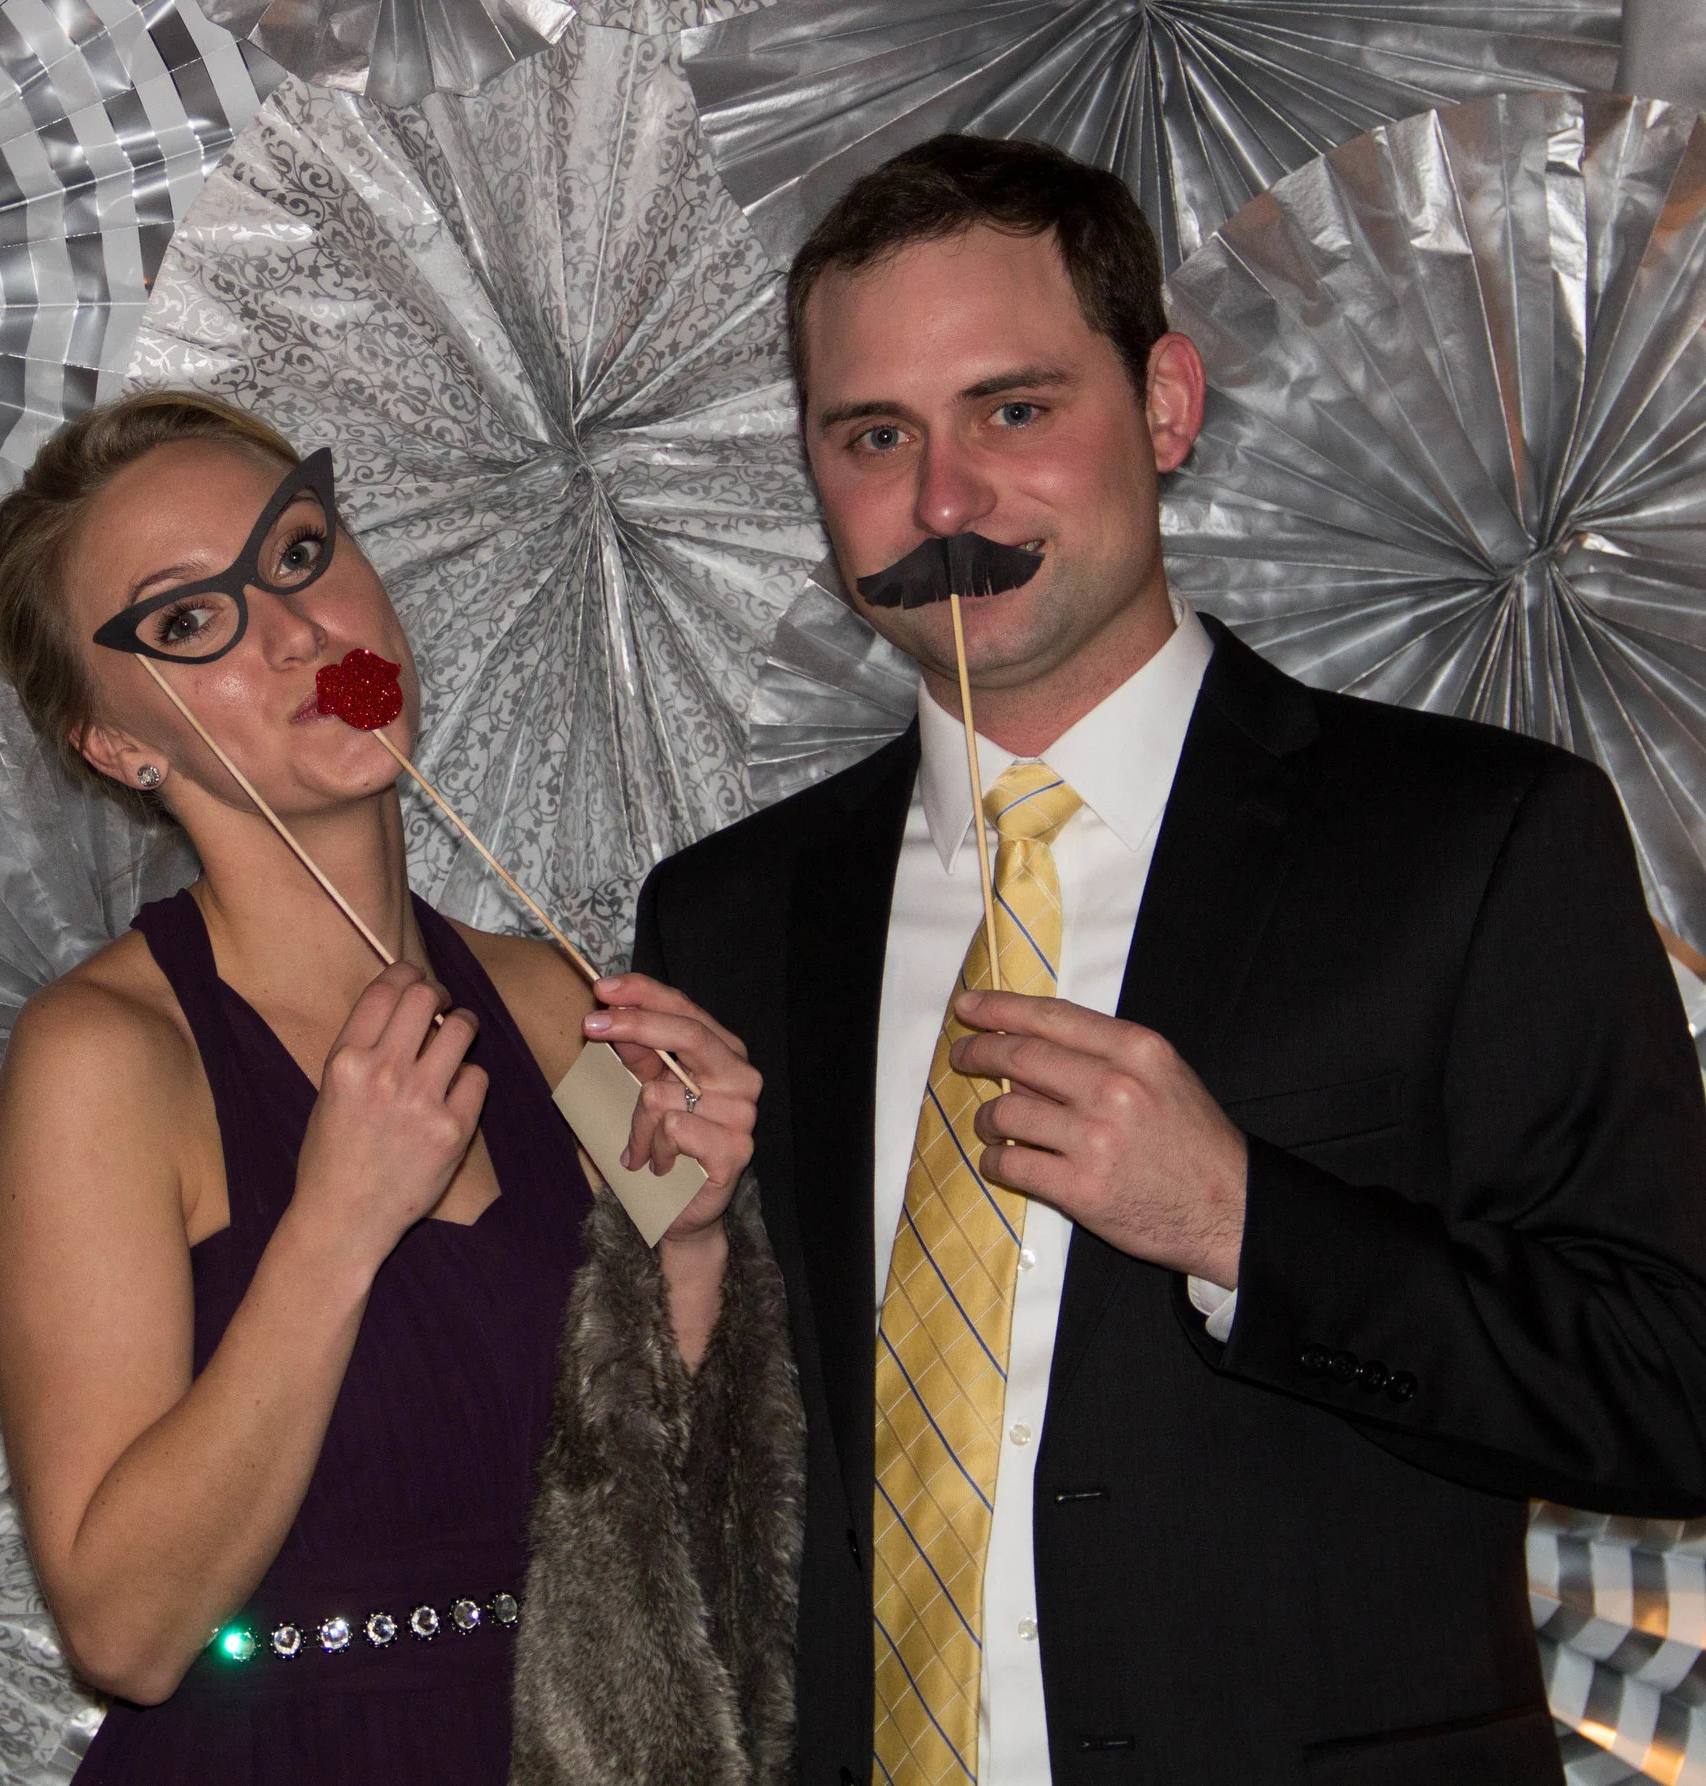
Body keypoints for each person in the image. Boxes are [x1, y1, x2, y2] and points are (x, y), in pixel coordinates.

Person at [632, 134, 1706, 1786]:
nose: (943, 503)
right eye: (875, 436)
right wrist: (680, 1260)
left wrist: (1245, 1227)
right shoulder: (720, 916)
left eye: (1013, 409)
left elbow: (1673, 1387)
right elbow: (674, 1483)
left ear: (1167, 404)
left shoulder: (1478, 840)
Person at [0, 390, 800, 1784]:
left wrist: (701, 1232)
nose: (297, 630)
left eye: (299, 550)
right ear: (119, 744)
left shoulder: (562, 1008)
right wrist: (335, 1225)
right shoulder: (103, 1058)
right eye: (192, 620)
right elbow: (123, 1630)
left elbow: (689, 1502)